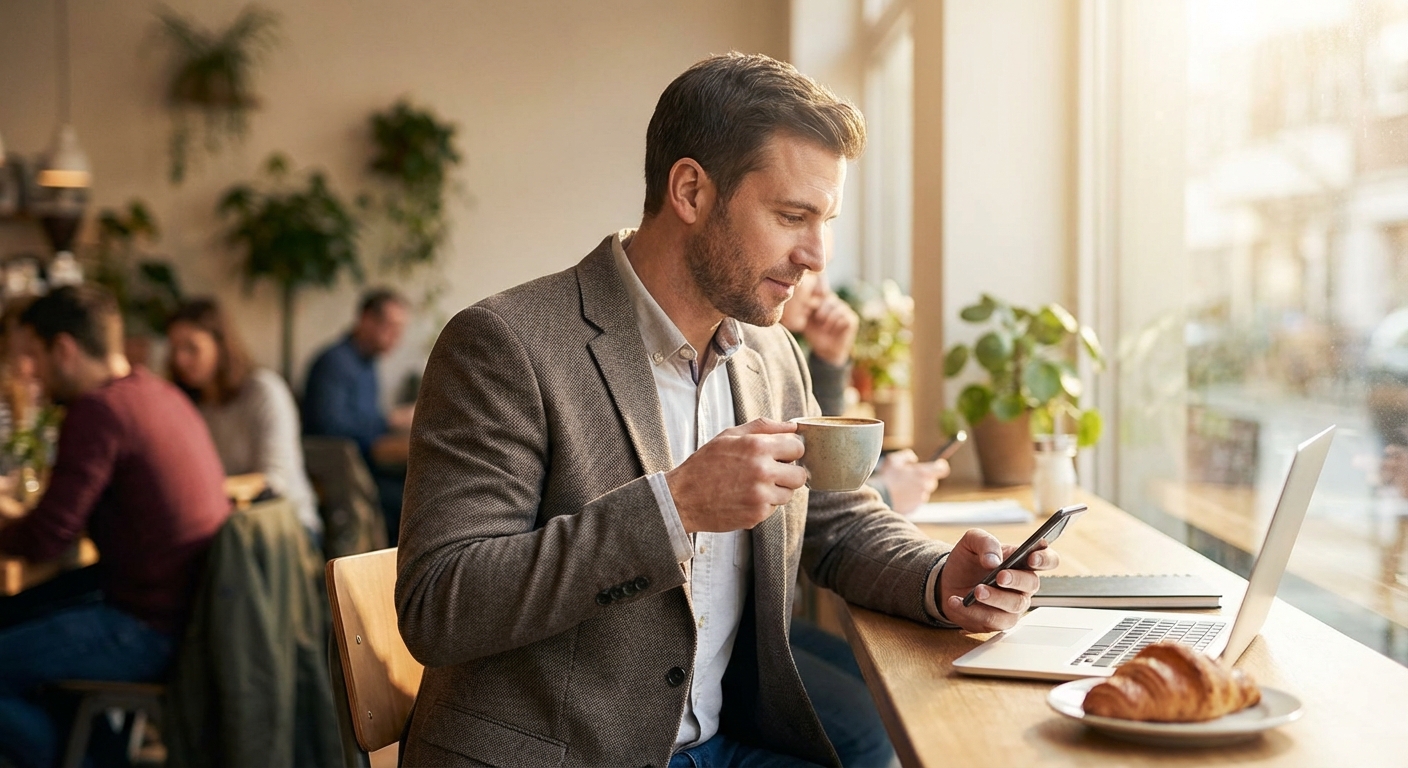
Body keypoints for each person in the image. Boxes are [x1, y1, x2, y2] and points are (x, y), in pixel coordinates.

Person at [395, 53, 1057, 768]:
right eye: (792, 216)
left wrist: (938, 579)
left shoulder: (771, 356)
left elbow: (836, 520)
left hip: (715, 741)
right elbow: (440, 604)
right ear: (690, 191)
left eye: (825, 220)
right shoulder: (506, 345)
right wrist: (674, 507)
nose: (815, 256)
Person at [0, 286, 231, 768]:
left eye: (34, 356)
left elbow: (46, 540)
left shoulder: (98, 411)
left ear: (64, 348)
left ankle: (77, 758)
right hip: (190, 620)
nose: (32, 374)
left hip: (145, 629)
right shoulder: (156, 393)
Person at [779, 270, 950, 515]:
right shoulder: (756, 358)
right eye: (813, 273)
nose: (824, 292)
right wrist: (886, 491)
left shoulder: (783, 352)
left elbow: (819, 468)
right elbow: (807, 506)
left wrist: (829, 361)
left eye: (828, 268)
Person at [168, 298, 322, 542]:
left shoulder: (263, 390)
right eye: (175, 349)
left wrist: (200, 494)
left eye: (191, 348)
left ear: (220, 344)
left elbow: (274, 480)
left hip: (285, 529)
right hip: (225, 526)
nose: (180, 360)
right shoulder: (188, 404)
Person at [301, 288, 413, 544]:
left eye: (400, 330)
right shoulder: (333, 362)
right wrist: (390, 420)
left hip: (364, 463)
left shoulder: (368, 364)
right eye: (390, 327)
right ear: (365, 320)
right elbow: (328, 426)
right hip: (342, 471)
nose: (396, 337)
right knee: (406, 500)